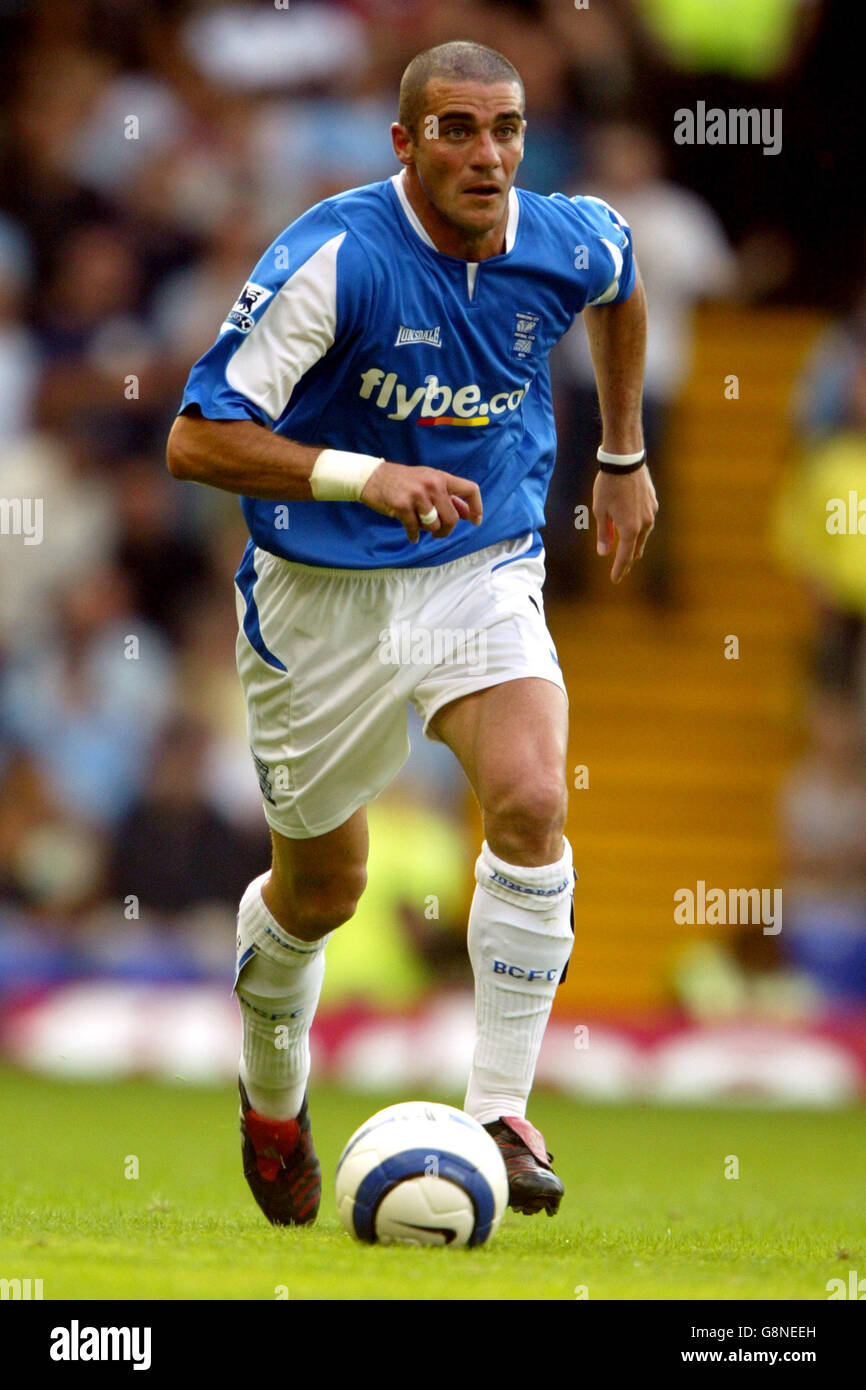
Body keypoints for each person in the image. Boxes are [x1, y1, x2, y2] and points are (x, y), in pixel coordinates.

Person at [166, 40, 656, 1227]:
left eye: (505, 129)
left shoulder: (563, 237)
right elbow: (195, 437)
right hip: (317, 593)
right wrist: (358, 474)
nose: (486, 155)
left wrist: (622, 453)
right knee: (322, 890)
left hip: (476, 565)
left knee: (533, 798)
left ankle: (499, 1111)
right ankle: (273, 1101)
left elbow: (623, 284)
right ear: (403, 144)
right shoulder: (333, 258)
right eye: (455, 130)